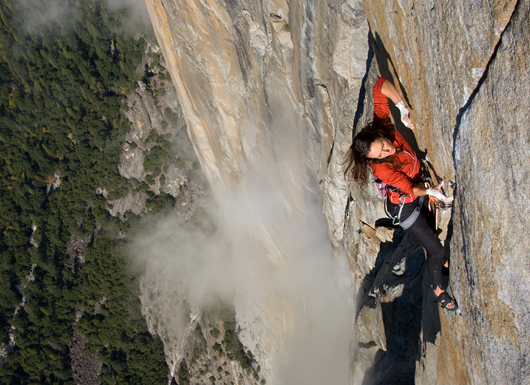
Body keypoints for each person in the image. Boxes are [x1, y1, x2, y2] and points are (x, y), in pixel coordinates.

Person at [346, 76, 457, 311]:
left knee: (439, 248)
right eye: (381, 154)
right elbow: (409, 189)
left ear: (378, 133)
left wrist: (401, 107)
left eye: (384, 145)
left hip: (413, 195)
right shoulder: (383, 168)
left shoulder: (383, 124)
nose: (388, 150)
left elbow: (379, 86)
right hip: (404, 208)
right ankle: (438, 292)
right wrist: (430, 191)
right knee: (436, 249)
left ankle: (439, 268)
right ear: (374, 160)